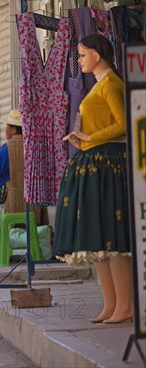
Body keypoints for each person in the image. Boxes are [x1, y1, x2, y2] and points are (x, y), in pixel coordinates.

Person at [54, 34, 132, 324]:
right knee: (100, 239)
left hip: (109, 163)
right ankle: (111, 304)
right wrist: (82, 140)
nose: (79, 60)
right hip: (94, 163)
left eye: (83, 55)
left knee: (112, 236)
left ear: (97, 55)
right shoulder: (98, 86)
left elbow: (124, 123)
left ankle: (125, 304)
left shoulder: (111, 84)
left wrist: (90, 137)